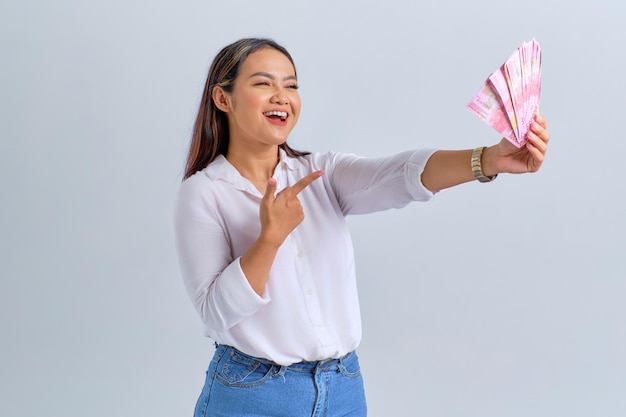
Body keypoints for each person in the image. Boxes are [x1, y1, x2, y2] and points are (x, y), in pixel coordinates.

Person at [174, 37, 550, 417]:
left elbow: (401, 173)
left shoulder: (323, 173)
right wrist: (269, 240)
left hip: (342, 389)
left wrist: (489, 159)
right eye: (263, 83)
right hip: (253, 395)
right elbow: (215, 312)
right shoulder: (204, 192)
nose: (281, 96)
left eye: (290, 85)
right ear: (223, 99)